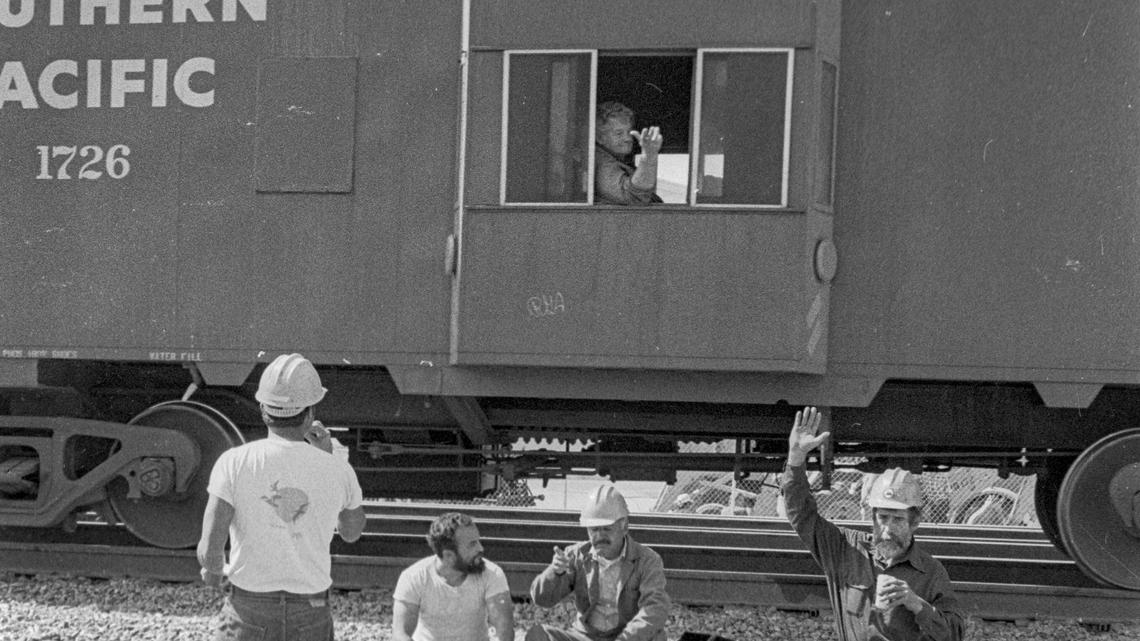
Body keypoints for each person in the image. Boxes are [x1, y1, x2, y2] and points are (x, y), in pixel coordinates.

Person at [197, 353, 366, 641]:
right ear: (310, 413)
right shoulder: (338, 468)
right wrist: (324, 458)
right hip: (311, 608)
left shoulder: (234, 462)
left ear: (263, 409)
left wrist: (212, 573)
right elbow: (351, 532)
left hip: (250, 606)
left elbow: (210, 548)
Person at [781, 407, 965, 641]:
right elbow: (801, 513)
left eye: (898, 519)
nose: (887, 529)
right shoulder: (845, 549)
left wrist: (916, 603)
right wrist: (796, 459)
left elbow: (955, 634)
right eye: (882, 517)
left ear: (915, 521)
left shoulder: (931, 572)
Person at [527, 484, 670, 641]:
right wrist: (555, 572)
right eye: (593, 530)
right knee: (539, 636)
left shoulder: (647, 560)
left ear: (624, 526)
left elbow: (655, 609)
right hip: (586, 637)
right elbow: (542, 599)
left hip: (627, 637)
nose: (599, 536)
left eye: (606, 529)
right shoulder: (576, 556)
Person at [392, 512, 514, 641]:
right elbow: (400, 634)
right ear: (449, 556)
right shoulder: (414, 577)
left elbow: (504, 631)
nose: (481, 548)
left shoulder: (492, 574)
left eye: (478, 541)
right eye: (472, 544)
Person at [594, 101, 664, 205]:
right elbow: (633, 197)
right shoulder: (601, 161)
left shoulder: (616, 160)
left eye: (629, 132)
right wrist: (649, 156)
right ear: (600, 138)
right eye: (619, 133)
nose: (628, 138)